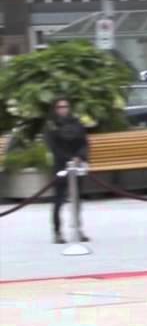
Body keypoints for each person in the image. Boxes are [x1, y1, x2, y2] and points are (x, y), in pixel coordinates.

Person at [43, 98, 90, 244]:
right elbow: (53, 147)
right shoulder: (51, 126)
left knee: (77, 199)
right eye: (60, 107)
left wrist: (79, 157)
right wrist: (69, 159)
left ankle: (78, 229)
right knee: (58, 199)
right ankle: (57, 232)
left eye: (66, 106)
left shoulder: (76, 122)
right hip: (61, 165)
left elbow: (84, 142)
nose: (63, 109)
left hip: (77, 165)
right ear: (55, 109)